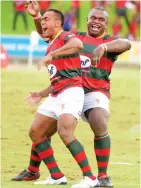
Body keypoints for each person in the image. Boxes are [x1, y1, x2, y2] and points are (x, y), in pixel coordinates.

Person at [12, 2, 131, 187]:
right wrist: (37, 18)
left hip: (94, 92)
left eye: (101, 19)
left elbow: (127, 43)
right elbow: (47, 36)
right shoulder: (75, 36)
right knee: (42, 130)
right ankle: (33, 170)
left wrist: (104, 47)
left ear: (106, 23)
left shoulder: (110, 41)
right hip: (70, 88)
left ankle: (102, 176)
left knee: (98, 121)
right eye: (93, 18)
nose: (96, 22)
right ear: (87, 20)